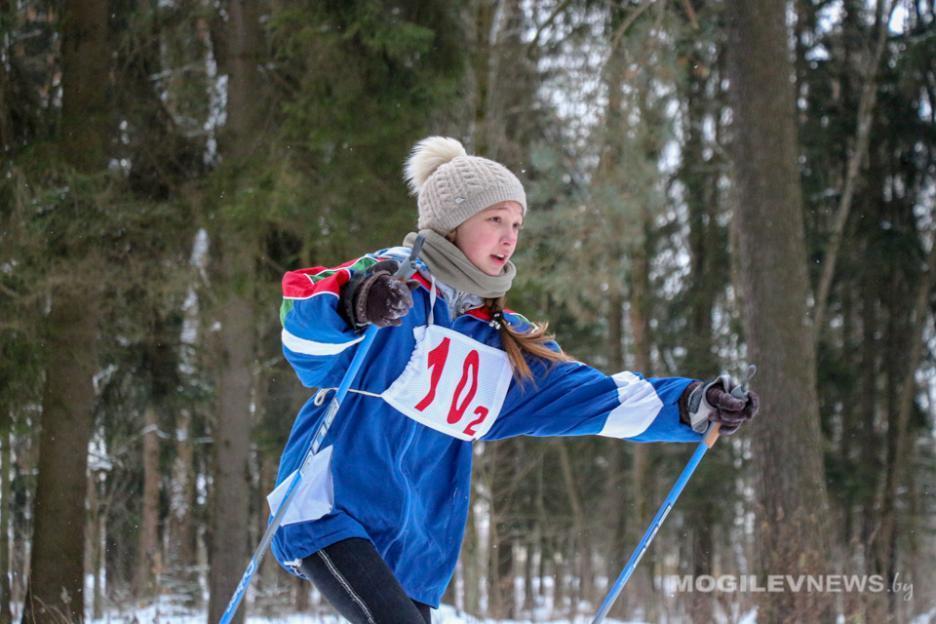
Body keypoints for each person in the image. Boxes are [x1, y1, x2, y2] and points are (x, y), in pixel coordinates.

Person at [268, 136, 758, 623]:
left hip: (418, 537)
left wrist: (692, 404)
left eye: (516, 224)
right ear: (452, 224)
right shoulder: (392, 285)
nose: (509, 237)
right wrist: (356, 305)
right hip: (334, 504)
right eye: (494, 220)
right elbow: (305, 333)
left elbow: (590, 397)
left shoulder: (502, 338)